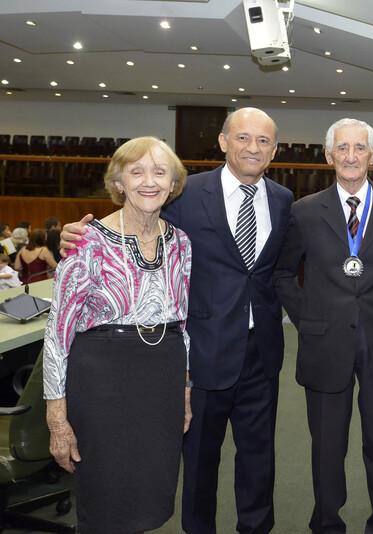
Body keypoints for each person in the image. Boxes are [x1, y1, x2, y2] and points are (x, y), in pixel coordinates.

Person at [62, 107, 293, 533]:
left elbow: (277, 271)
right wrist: (78, 235)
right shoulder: (183, 194)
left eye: (263, 141)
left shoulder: (283, 199)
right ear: (223, 142)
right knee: (200, 460)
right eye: (243, 137)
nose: (253, 147)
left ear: (274, 150)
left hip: (261, 352)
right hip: (202, 353)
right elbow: (138, 224)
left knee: (260, 458)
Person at [43, 136, 192, 534]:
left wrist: (185, 390)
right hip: (102, 383)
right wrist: (57, 417)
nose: (149, 181)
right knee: (106, 496)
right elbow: (57, 334)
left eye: (160, 172)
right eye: (136, 172)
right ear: (118, 182)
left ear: (173, 184)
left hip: (163, 380)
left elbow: (184, 325)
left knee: (150, 493)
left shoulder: (181, 243)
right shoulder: (86, 241)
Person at [274, 118, 373, 534]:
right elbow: (283, 272)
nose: (351, 156)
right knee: (327, 446)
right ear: (329, 155)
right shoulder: (304, 211)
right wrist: (308, 317)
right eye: (342, 148)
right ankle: (327, 524)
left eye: (359, 148)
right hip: (324, 343)